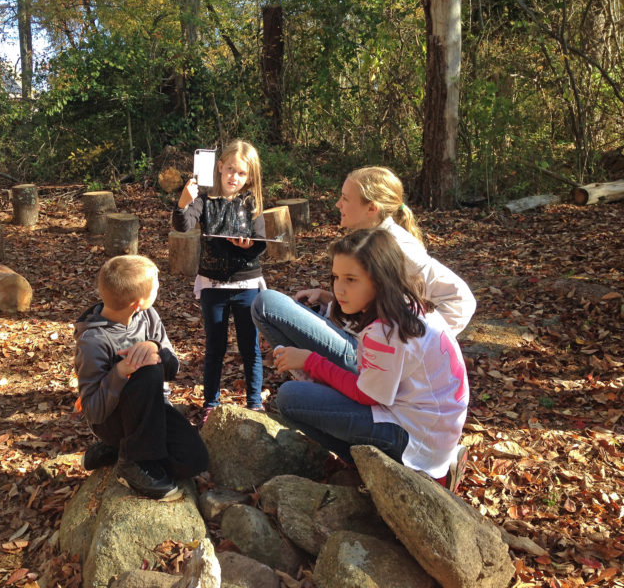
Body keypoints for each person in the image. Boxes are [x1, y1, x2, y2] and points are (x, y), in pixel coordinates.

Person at [273, 229, 469, 490]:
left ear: (379, 280)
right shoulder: (406, 305)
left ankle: (384, 470)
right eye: (336, 277)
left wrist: (310, 361)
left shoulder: (386, 331)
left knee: (289, 397)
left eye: (351, 279)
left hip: (415, 439)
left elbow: (367, 396)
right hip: (433, 431)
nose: (339, 288)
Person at [251, 166, 476, 374]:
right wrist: (329, 300)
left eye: (345, 199)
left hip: (368, 356)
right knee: (275, 308)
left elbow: (461, 300)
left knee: (267, 304)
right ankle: (314, 379)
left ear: (372, 208)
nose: (338, 204)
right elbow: (377, 304)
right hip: (361, 342)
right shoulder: (370, 239)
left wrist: (416, 350)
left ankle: (320, 378)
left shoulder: (401, 248)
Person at [74, 255, 209, 500]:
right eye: (156, 287)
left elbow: (173, 368)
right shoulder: (93, 341)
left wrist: (156, 348)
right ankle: (131, 463)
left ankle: (120, 449)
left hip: (152, 412)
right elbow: (93, 411)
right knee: (147, 371)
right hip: (112, 419)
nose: (159, 288)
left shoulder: (147, 317)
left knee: (194, 461)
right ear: (137, 303)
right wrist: (120, 372)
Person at [172, 139, 267, 420]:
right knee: (215, 346)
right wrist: (183, 201)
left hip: (246, 282)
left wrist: (248, 244)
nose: (234, 178)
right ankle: (210, 403)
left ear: (249, 177)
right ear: (219, 167)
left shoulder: (251, 202)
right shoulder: (205, 199)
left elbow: (261, 240)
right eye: (229, 170)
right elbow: (183, 224)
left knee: (250, 345)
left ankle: (255, 403)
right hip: (213, 283)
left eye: (241, 173)